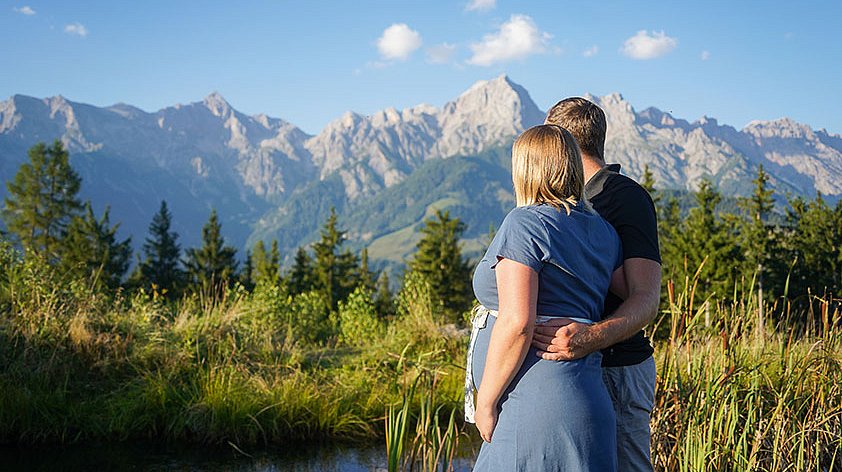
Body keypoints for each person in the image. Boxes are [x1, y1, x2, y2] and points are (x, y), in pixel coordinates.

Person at [466, 124, 625, 471]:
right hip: (586, 395)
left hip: (534, 403)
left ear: (526, 169)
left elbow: (517, 323)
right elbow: (626, 293)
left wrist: (486, 402)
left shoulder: (525, 223)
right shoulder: (603, 230)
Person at [532, 98, 662, 472]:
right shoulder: (574, 200)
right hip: (578, 369)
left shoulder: (622, 196)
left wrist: (589, 338)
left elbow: (645, 299)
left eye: (549, 139)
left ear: (565, 143)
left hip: (616, 368)